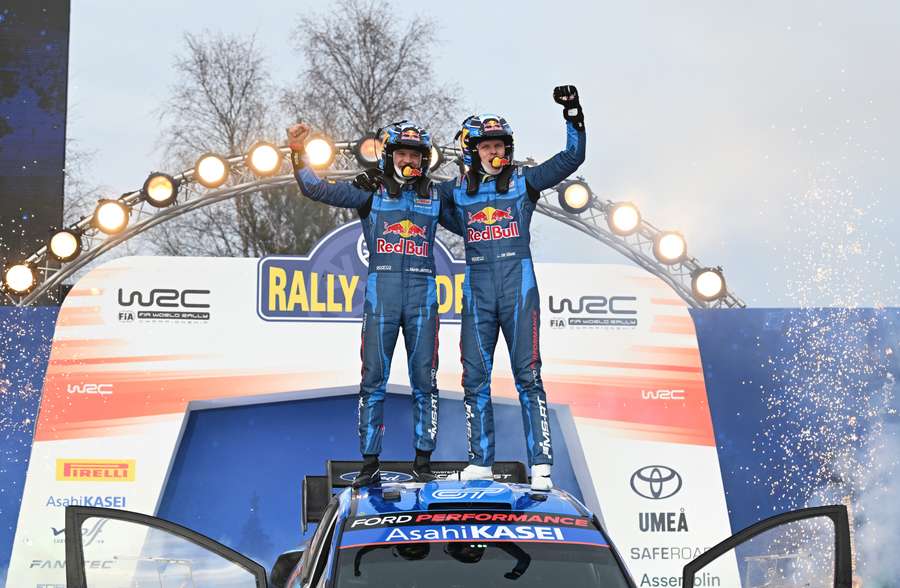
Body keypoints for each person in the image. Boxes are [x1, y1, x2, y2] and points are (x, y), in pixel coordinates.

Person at [287, 120, 460, 486]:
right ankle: (369, 463)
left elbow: (471, 224)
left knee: (424, 381)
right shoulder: (371, 191)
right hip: (382, 295)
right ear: (389, 156)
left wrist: (472, 182)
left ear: (424, 159)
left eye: (415, 154)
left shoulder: (436, 194)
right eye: (402, 154)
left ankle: (423, 461)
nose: (408, 160)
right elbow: (316, 188)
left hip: (422, 297)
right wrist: (299, 153)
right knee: (373, 380)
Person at [437, 85, 586, 491]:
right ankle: (481, 461)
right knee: (475, 378)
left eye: (500, 144)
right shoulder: (454, 191)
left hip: (518, 288)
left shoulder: (523, 181)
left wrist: (572, 114)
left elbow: (572, 158)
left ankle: (541, 464)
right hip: (478, 291)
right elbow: (422, 209)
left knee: (528, 376)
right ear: (472, 150)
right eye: (486, 146)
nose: (494, 152)